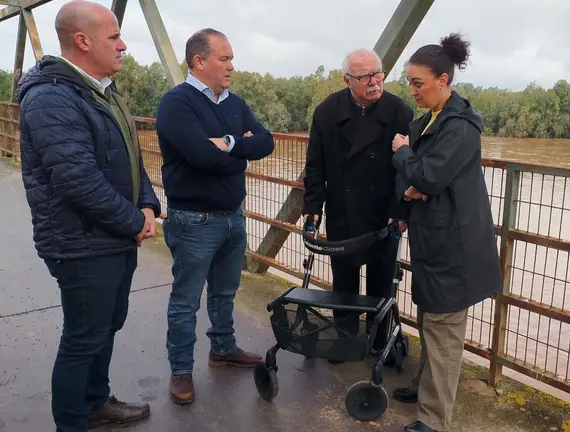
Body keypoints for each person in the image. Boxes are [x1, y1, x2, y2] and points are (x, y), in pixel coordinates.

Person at [15, 1, 161, 430]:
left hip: (108, 237)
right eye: (113, 37)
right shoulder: (50, 97)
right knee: (83, 338)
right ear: (82, 41)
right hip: (80, 243)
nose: (123, 45)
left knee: (105, 327)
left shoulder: (100, 89)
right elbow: (78, 181)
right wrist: (136, 222)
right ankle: (73, 422)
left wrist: (148, 203)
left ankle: (95, 403)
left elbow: (130, 156)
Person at [389, 33, 503, 432]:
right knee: (429, 318)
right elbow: (423, 178)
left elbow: (429, 175)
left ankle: (434, 420)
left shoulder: (460, 127)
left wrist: (403, 152)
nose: (412, 91)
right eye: (409, 82)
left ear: (442, 79)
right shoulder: (432, 121)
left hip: (455, 249)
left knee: (443, 330)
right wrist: (414, 180)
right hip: (435, 240)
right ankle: (424, 387)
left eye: (418, 83)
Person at [155, 28, 275, 405]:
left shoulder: (234, 102)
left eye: (231, 58)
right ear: (199, 61)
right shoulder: (177, 103)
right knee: (185, 300)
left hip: (232, 218)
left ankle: (223, 349)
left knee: (225, 293)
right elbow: (200, 157)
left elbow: (267, 142)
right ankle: (180, 371)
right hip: (193, 220)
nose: (231, 66)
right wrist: (240, 151)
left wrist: (229, 144)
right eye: (224, 59)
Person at [302, 48, 413, 362]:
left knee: (382, 284)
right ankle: (346, 341)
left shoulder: (399, 112)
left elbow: (405, 170)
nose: (375, 82)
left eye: (378, 73)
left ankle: (380, 344)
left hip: (384, 216)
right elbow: (315, 167)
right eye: (365, 76)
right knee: (345, 284)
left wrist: (399, 211)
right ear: (347, 79)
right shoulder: (327, 112)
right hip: (342, 213)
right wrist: (313, 207)